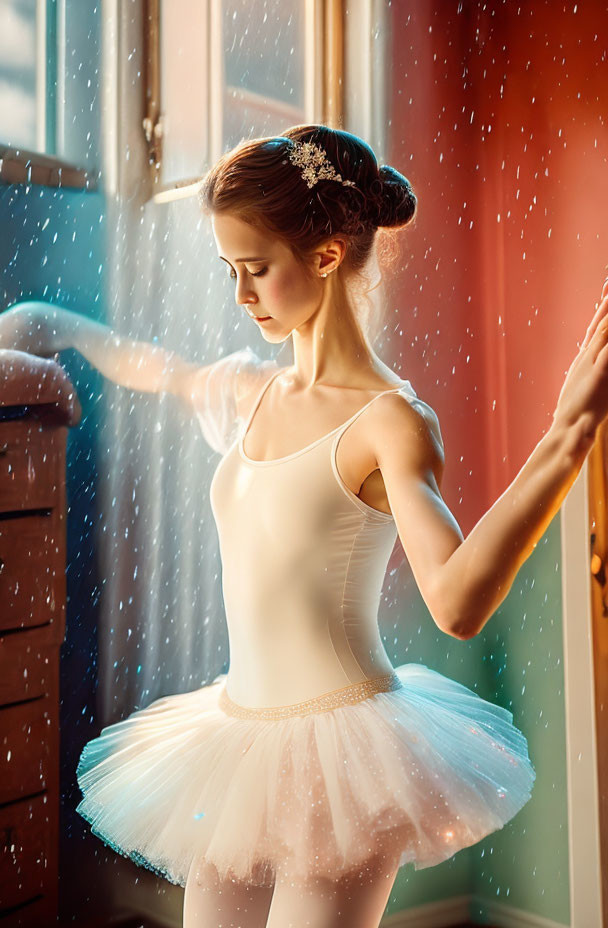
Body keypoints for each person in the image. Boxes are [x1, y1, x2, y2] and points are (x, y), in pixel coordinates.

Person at [1, 124, 606, 928]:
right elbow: (155, 367)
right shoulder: (253, 391)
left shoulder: (390, 423)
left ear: (325, 256)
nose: (241, 295)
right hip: (240, 742)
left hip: (348, 757)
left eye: (255, 270)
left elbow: (457, 600)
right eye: (231, 272)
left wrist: (566, 438)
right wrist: (54, 327)